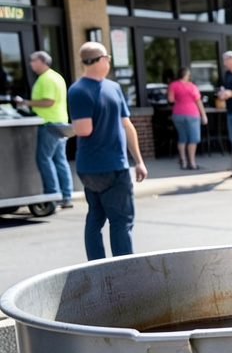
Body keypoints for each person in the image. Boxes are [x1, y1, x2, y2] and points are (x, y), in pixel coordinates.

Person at [68, 42, 147, 260]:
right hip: (112, 166)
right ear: (101, 59)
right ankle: (125, 272)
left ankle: (96, 268)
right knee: (122, 222)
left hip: (88, 168)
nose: (109, 61)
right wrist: (138, 161)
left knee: (95, 218)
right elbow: (86, 129)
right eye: (108, 57)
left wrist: (138, 160)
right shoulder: (89, 90)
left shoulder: (79, 90)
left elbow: (125, 125)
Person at [14, 51, 74, 209]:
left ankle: (52, 194)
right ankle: (66, 196)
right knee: (60, 160)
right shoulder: (56, 76)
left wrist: (25, 103)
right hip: (60, 122)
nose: (30, 64)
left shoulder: (46, 79)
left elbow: (48, 102)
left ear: (42, 61)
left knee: (44, 159)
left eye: (33, 60)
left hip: (49, 124)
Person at [167, 67, 207, 170]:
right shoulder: (192, 86)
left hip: (178, 113)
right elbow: (198, 101)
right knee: (193, 139)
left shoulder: (173, 85)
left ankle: (183, 161)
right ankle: (192, 162)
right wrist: (204, 115)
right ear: (187, 75)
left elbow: (170, 99)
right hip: (192, 113)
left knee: (182, 138)